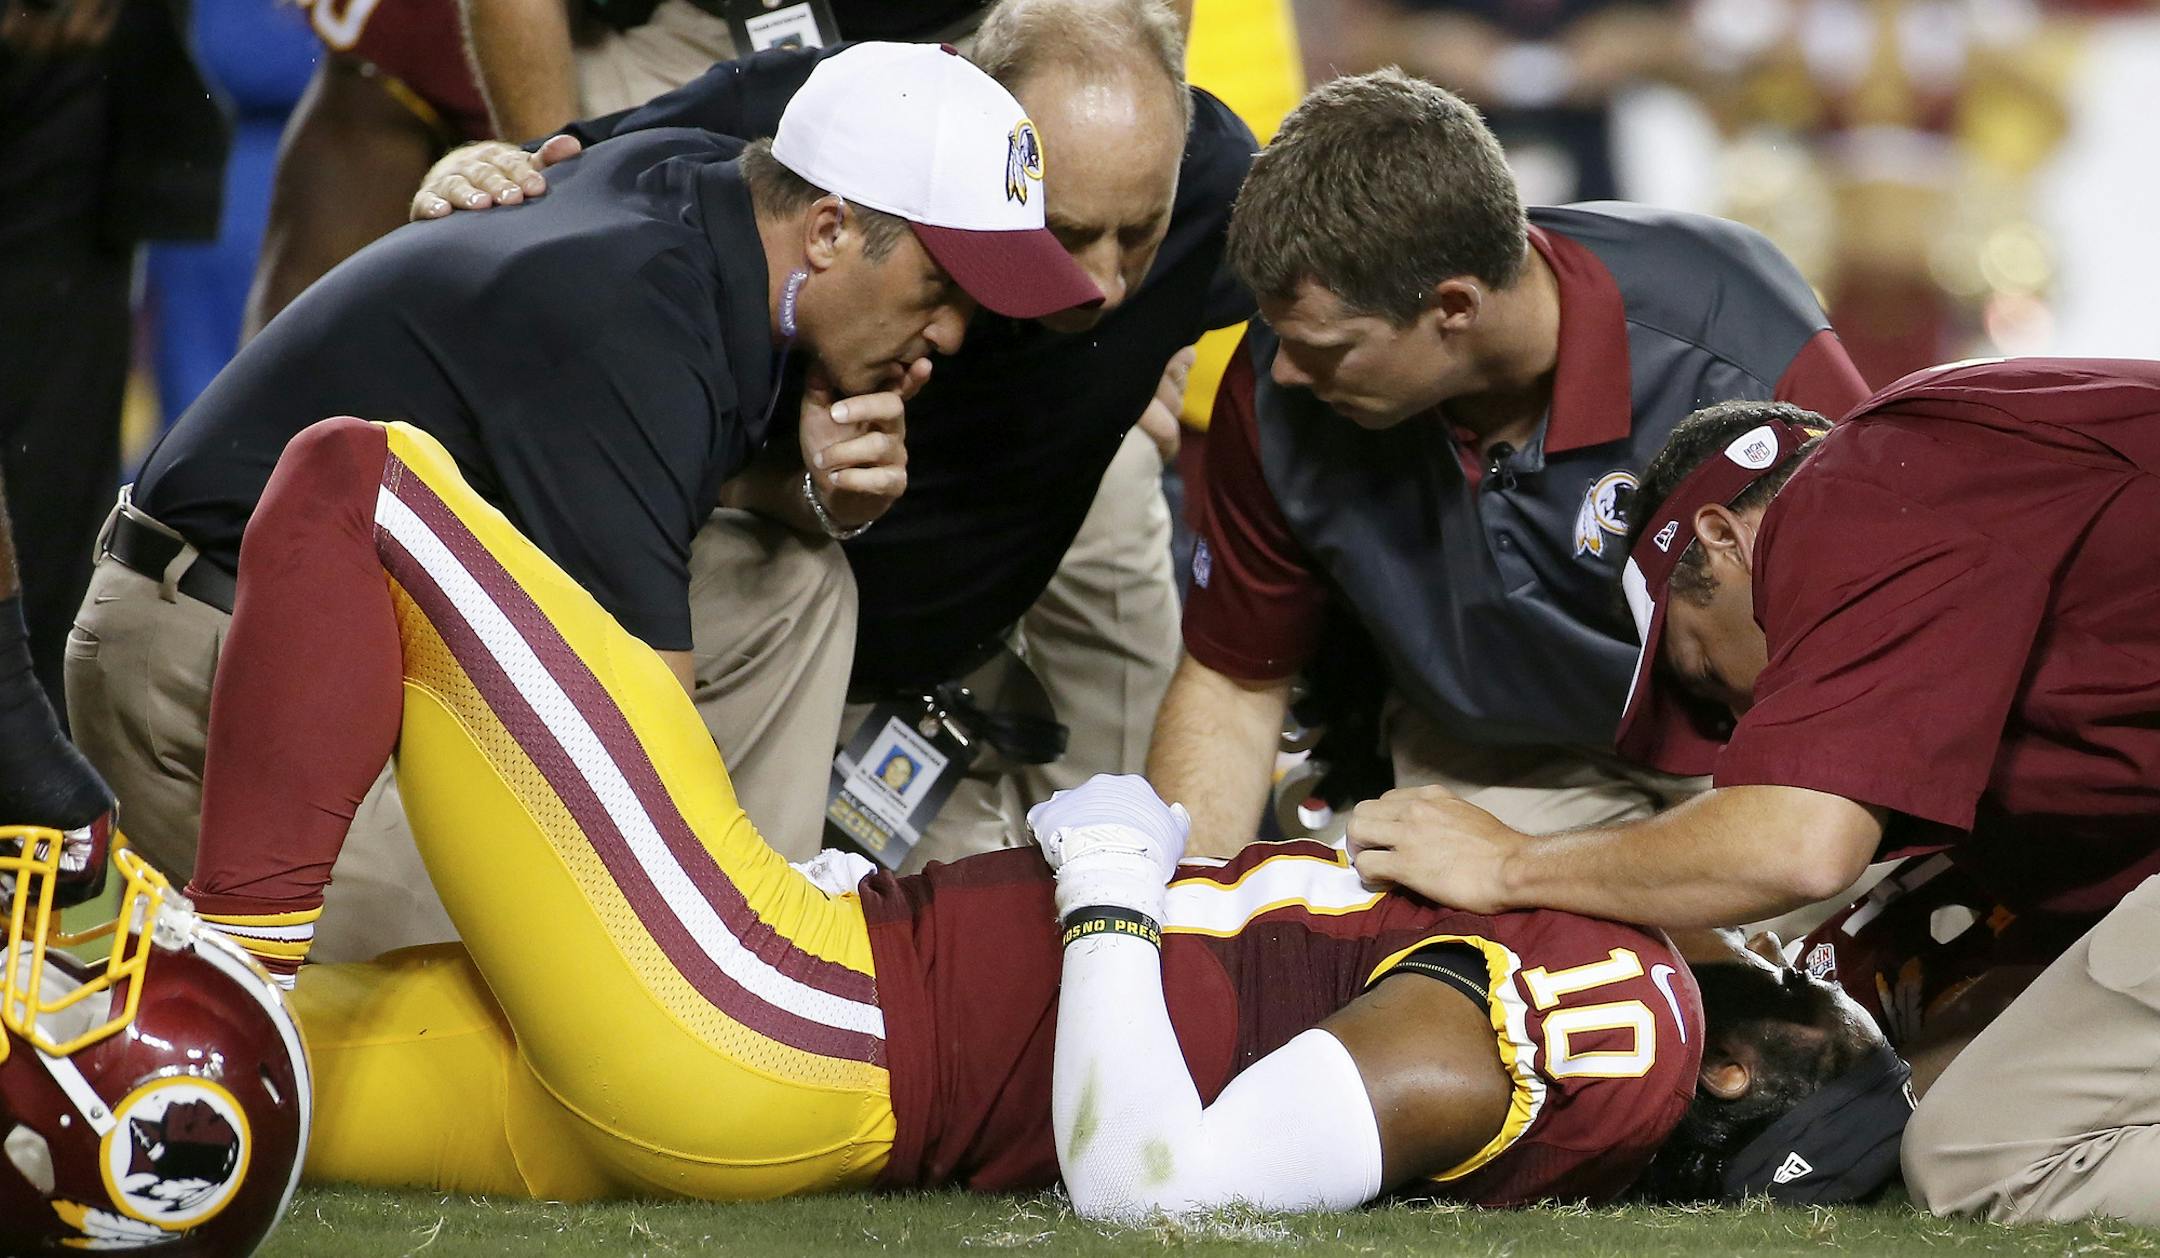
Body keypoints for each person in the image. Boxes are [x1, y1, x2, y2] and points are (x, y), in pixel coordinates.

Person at [184, 413, 1906, 1211]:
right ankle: (210, 999)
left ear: (1742, 1069)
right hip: (800, 1007)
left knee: (363, 486)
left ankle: (237, 958)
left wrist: (1102, 883)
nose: (1771, 949)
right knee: (165, 1093)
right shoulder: (1595, 977)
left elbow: (1162, 1185)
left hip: (787, 1017)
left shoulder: (1629, 1014)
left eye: (1795, 991)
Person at [64, 42, 1099, 962]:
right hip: (209, 675)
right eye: (940, 287)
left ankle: (754, 942)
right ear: (828, 228)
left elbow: (664, 483)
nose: (952, 333)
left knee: (793, 584)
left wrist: (817, 493)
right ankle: (730, 976)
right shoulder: (635, 317)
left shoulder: (706, 189)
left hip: (355, 653)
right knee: (505, 1008)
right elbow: (639, 748)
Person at [412, 1, 1254, 869]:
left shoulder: (1214, 185)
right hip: (772, 625)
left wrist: (1164, 335)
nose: (1106, 284)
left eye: (1140, 234)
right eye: (1066, 232)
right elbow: (562, 185)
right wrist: (485, 172)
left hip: (961, 664)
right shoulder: (824, 126)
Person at [1340, 359, 2160, 1223]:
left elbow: (1799, 848)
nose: (1736, 718)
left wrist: (1508, 863)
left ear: (1724, 540)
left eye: (1702, 671)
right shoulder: (1950, 491)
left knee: (1979, 1160)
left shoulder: (1849, 485)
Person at [1153, 68, 1872, 859]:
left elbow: (1887, 635)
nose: (1285, 370)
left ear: (1454, 307)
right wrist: (1182, 914)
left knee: (1817, 906)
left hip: (1753, 749)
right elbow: (1234, 682)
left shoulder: (1735, 342)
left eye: (1326, 346)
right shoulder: (1280, 386)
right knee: (1460, 927)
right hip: (1493, 758)